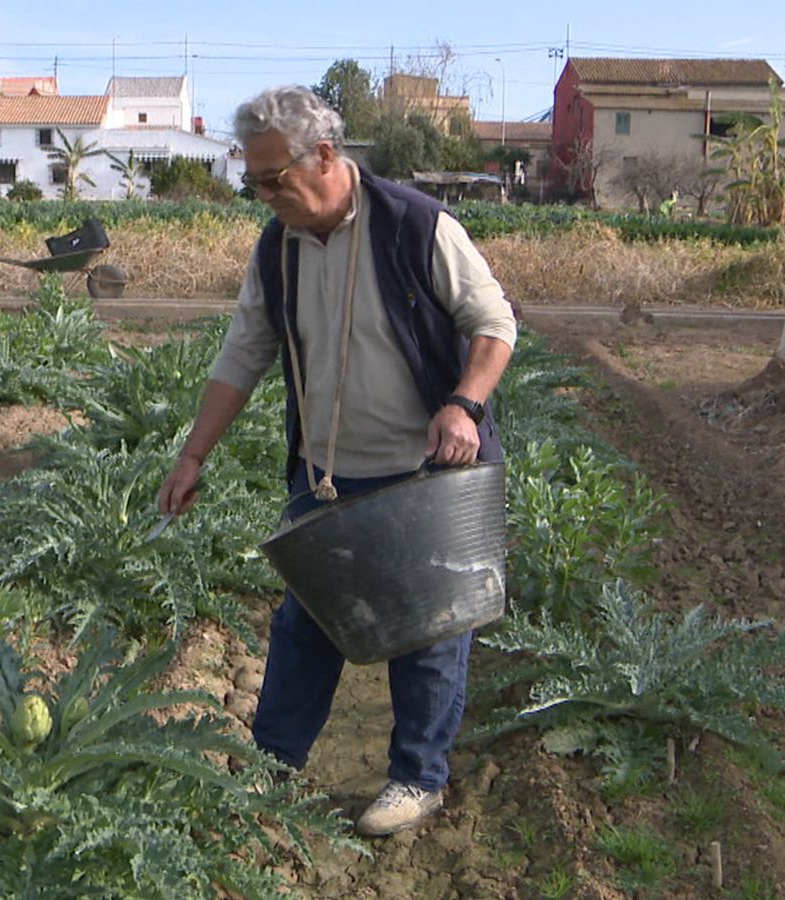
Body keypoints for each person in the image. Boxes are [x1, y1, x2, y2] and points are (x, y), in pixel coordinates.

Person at [155, 85, 517, 837]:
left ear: (324, 155)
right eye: (252, 181)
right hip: (327, 471)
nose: (262, 196)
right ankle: (271, 770)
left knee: (429, 630)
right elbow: (243, 354)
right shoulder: (276, 248)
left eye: (271, 179)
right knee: (307, 626)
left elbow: (493, 323)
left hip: (424, 471)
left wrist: (465, 405)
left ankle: (418, 779)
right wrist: (193, 455)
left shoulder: (415, 226)